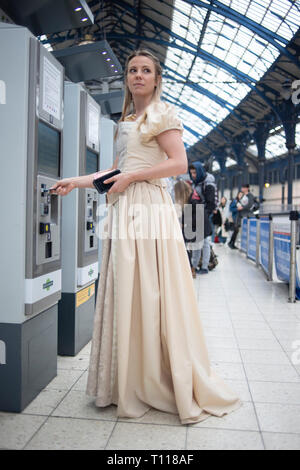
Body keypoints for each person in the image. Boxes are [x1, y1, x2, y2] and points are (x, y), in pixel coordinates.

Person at [50, 49, 241, 425]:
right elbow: (115, 170)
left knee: (152, 289)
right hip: (126, 209)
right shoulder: (127, 121)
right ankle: (128, 380)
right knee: (128, 289)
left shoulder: (161, 115)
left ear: (156, 79)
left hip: (150, 208)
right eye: (132, 70)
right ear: (127, 78)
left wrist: (133, 178)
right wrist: (76, 180)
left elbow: (179, 163)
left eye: (145, 71)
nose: (138, 75)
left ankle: (155, 377)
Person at [188, 162, 216, 275]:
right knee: (197, 242)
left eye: (195, 172)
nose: (193, 175)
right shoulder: (196, 183)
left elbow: (211, 203)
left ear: (199, 171)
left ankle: (204, 267)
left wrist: (204, 214)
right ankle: (195, 266)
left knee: (204, 242)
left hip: (203, 215)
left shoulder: (208, 183)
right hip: (197, 214)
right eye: (191, 173)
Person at [228, 184, 255, 249]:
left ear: (247, 188)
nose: (242, 189)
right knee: (236, 229)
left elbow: (249, 205)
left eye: (243, 187)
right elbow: (233, 206)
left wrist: (242, 208)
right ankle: (232, 243)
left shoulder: (250, 196)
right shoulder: (241, 196)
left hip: (246, 215)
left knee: (238, 230)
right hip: (239, 216)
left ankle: (233, 243)